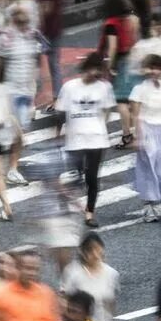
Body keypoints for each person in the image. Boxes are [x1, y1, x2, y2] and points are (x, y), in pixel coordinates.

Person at [55, 52, 115, 227]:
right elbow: (61, 113)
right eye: (92, 68)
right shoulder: (70, 87)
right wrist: (58, 133)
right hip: (75, 138)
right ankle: (64, 197)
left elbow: (106, 111)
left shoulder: (104, 88)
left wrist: (99, 126)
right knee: (75, 174)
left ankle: (90, 213)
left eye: (98, 69)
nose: (94, 73)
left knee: (92, 178)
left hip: (97, 139)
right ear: (85, 68)